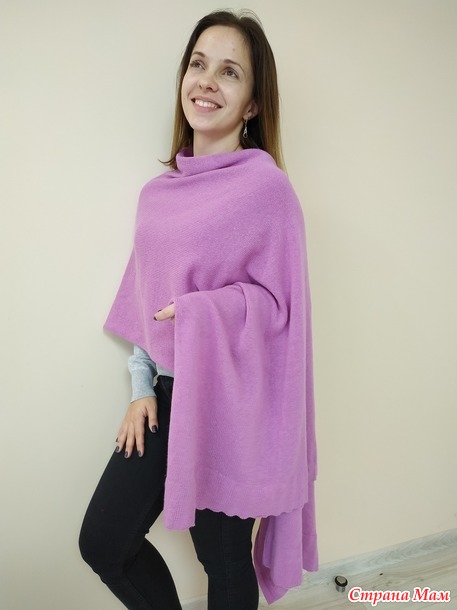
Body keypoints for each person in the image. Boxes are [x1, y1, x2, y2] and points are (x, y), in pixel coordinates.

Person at [79, 9, 317, 610]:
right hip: (164, 396)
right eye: (198, 64)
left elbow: (283, 316)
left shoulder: (269, 191)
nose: (207, 81)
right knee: (104, 542)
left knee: (223, 560)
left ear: (253, 103)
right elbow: (146, 306)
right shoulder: (157, 195)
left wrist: (202, 311)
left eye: (229, 72)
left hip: (230, 404)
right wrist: (141, 389)